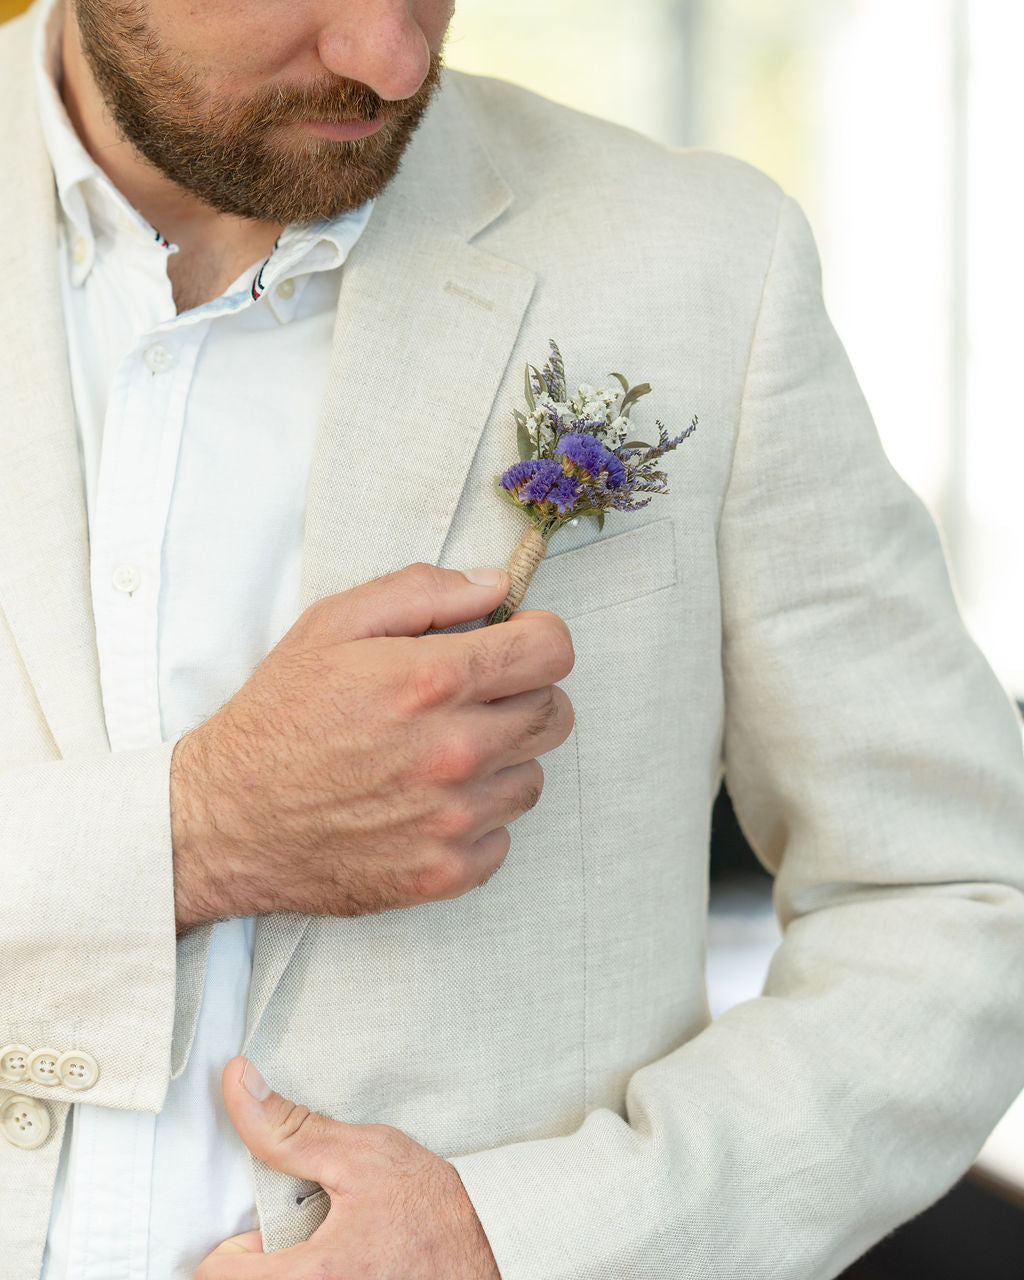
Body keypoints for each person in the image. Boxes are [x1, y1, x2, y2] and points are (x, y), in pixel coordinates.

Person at [1, 0, 1022, 1275]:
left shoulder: (698, 260)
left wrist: (528, 1243)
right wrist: (197, 828)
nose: (393, 59)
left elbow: (959, 893)